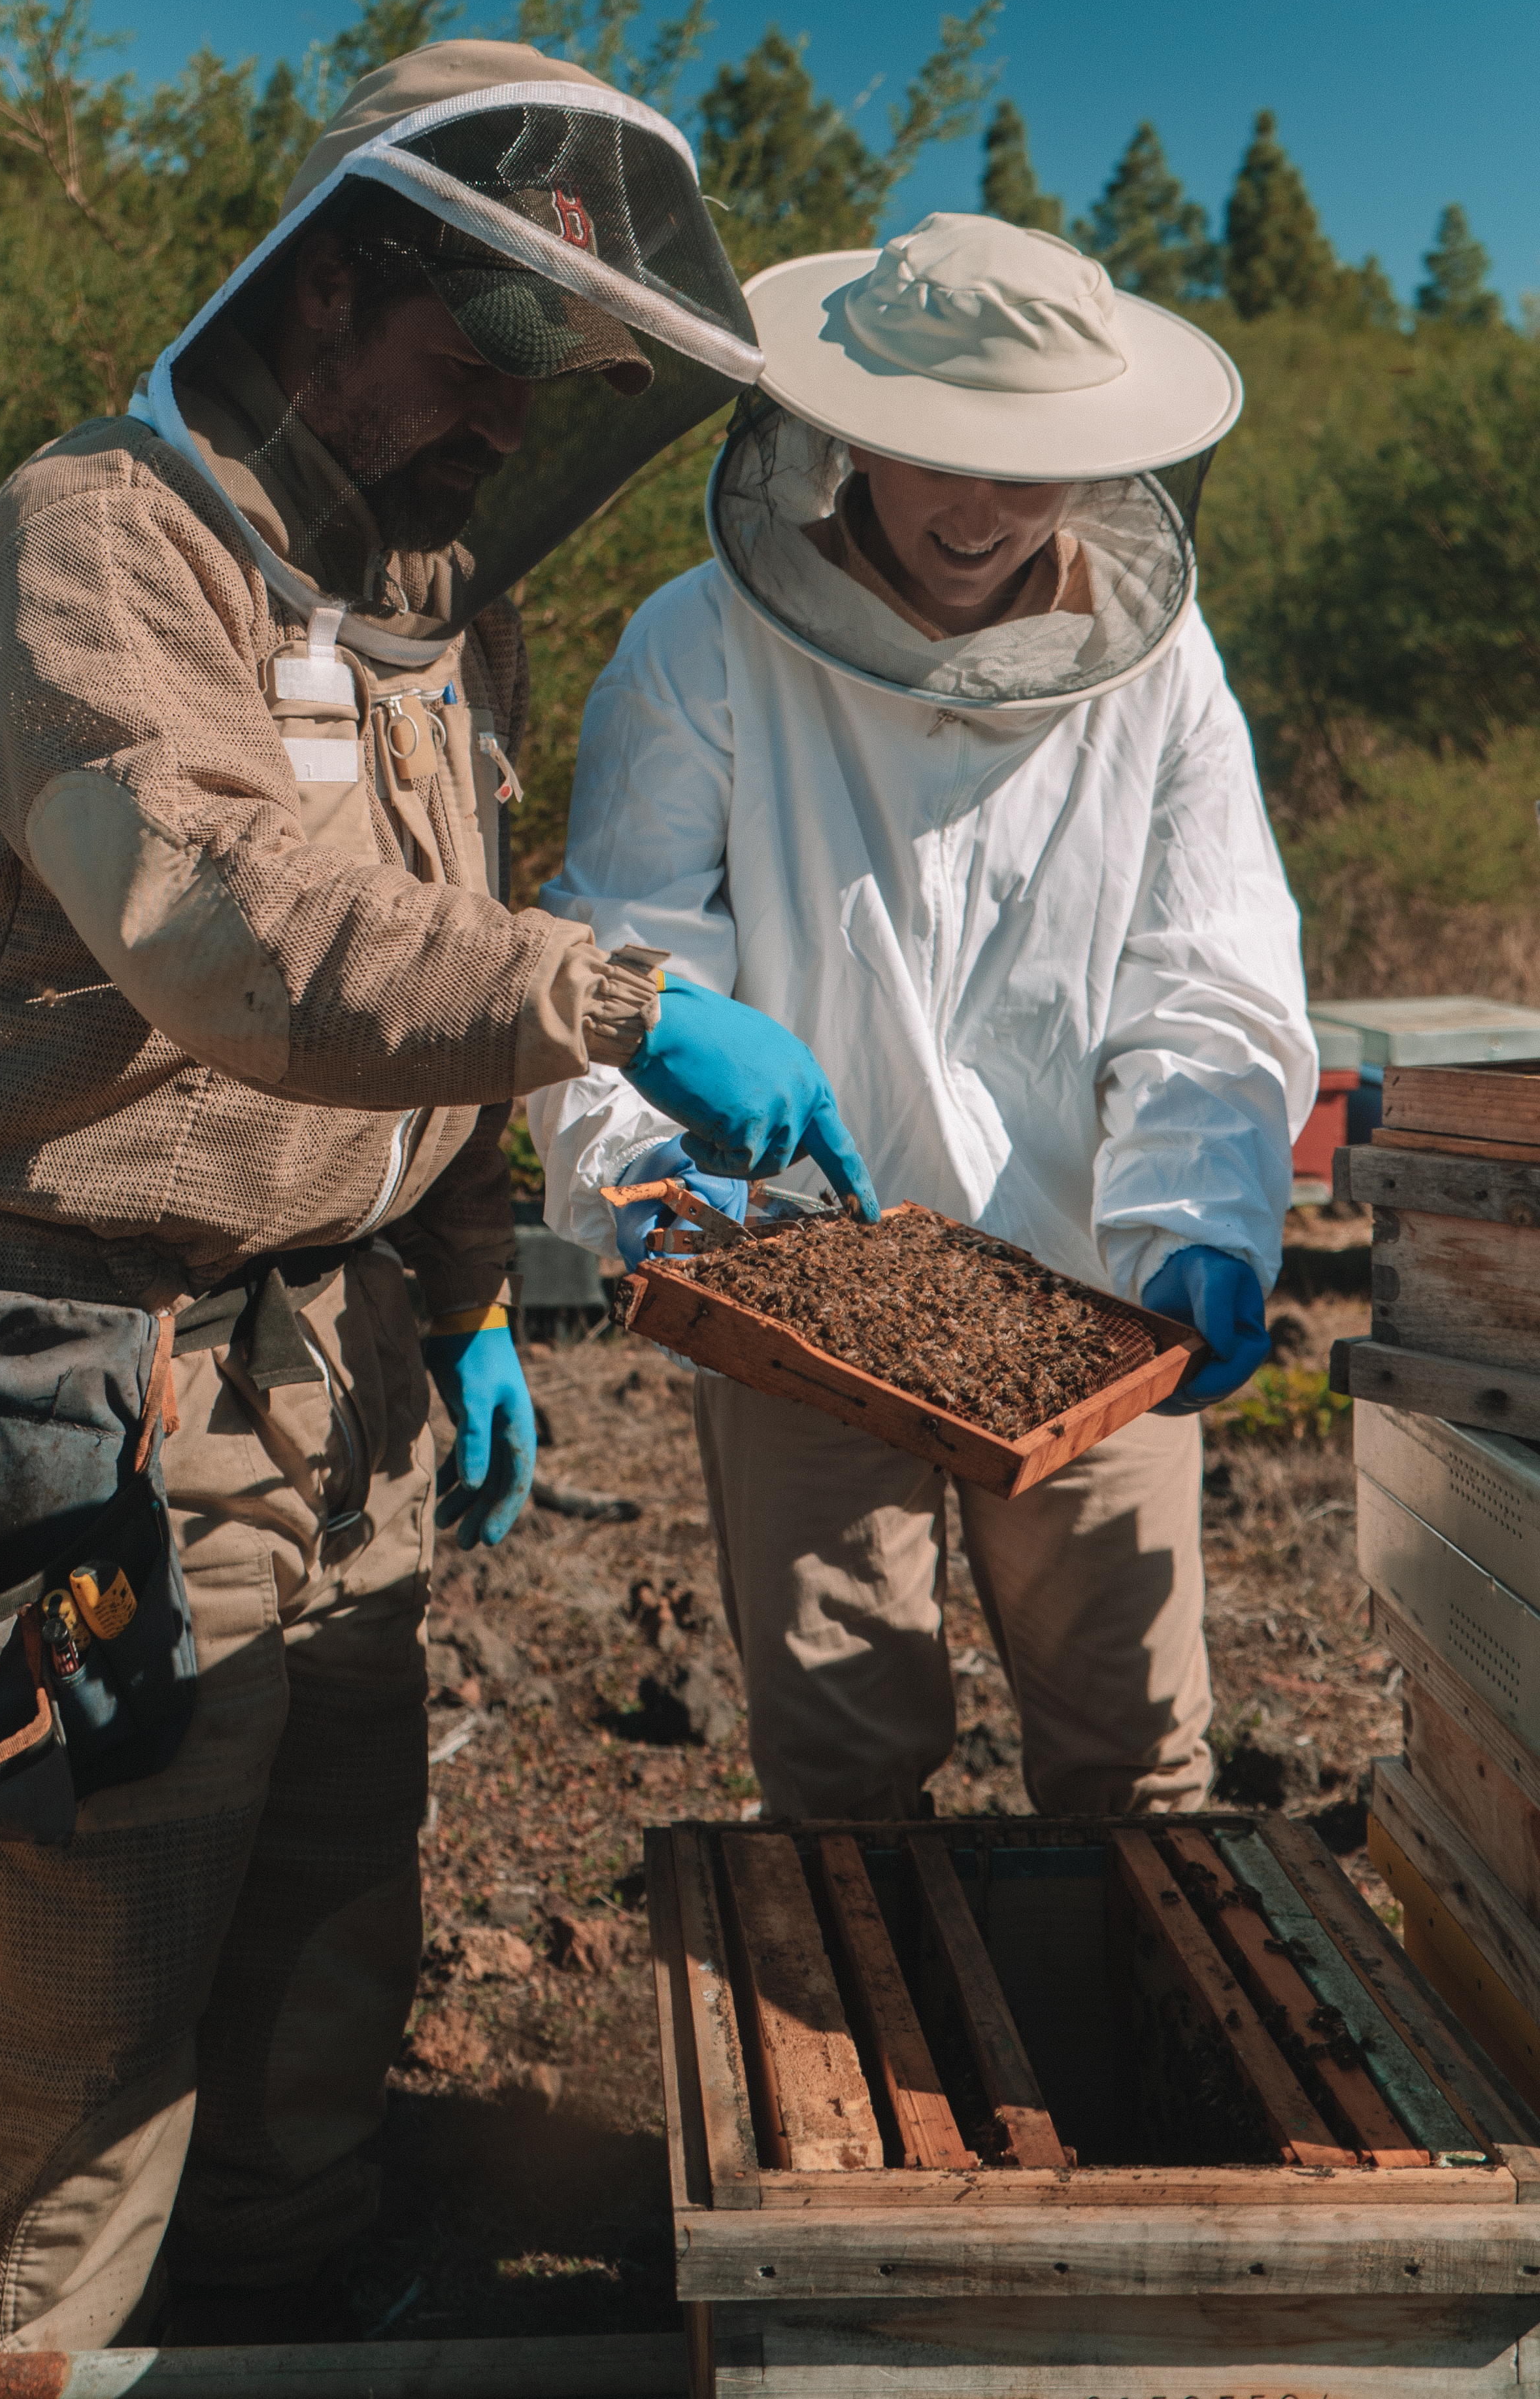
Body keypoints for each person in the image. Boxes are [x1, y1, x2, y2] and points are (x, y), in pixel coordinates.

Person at [0, 39, 868, 2355]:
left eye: (561, 376)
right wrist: (624, 1004)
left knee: (321, 1935)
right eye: (486, 354)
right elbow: (235, 928)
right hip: (63, 1375)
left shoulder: (431, 610)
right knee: (60, 1996)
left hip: (343, 1368)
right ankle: (20, 2353)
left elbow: (428, 1001)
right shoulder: (92, 546)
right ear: (319, 294)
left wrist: (475, 1292)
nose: (513, 425)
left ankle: (286, 2300)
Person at [529, 211, 1316, 1825]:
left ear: (1097, 464)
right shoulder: (705, 640)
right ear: (848, 436)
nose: (977, 510)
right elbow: (630, 951)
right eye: (931, 452)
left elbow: (1208, 975)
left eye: (1025, 464)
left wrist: (1202, 1220)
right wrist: (672, 1190)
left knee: (1138, 1757)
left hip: (1091, 1293)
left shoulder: (1163, 677)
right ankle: (876, 2069)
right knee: (841, 1767)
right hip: (793, 1290)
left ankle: (1116, 2071)